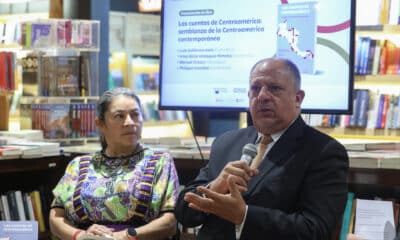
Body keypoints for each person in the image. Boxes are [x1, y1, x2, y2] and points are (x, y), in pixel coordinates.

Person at [175, 57, 349, 239]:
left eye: (274, 88)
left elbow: (315, 230)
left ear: (298, 98)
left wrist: (243, 216)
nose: (263, 96)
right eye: (255, 88)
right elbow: (184, 214)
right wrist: (215, 186)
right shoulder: (226, 142)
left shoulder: (324, 152)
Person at [49, 87, 180, 240]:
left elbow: (170, 222)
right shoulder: (78, 165)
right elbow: (55, 218)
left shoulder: (160, 162)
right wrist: (80, 236)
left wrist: (125, 236)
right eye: (119, 116)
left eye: (135, 114)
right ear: (100, 124)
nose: (130, 122)